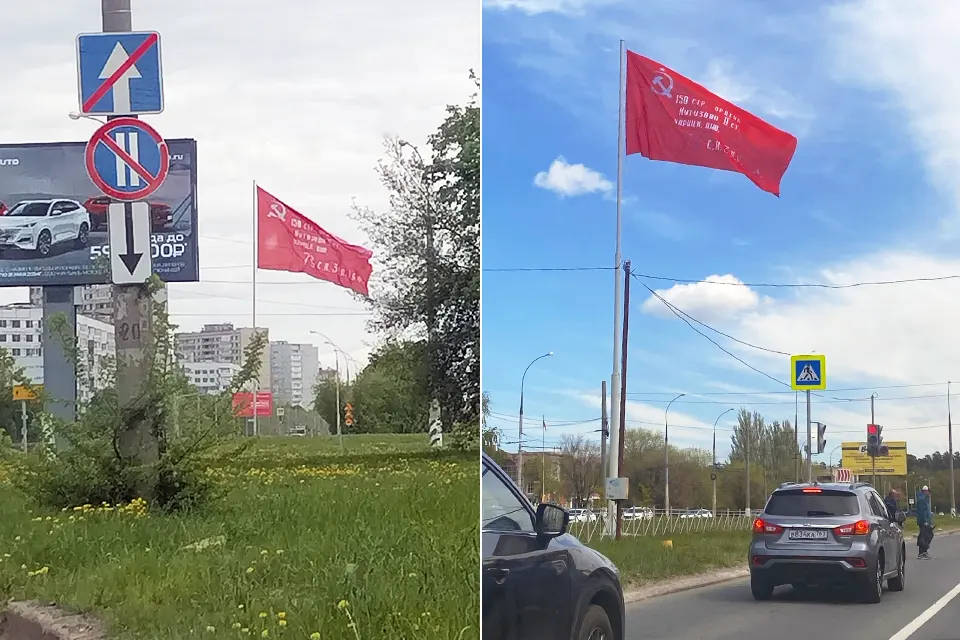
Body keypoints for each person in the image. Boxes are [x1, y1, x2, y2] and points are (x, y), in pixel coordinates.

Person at [916, 485, 934, 559]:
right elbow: (922, 511)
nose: (929, 493)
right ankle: (922, 552)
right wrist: (925, 521)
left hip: (925, 520)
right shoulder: (922, 499)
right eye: (928, 492)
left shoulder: (924, 498)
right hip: (924, 521)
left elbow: (926, 510)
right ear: (925, 491)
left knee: (925, 536)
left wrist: (930, 514)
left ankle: (923, 552)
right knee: (925, 536)